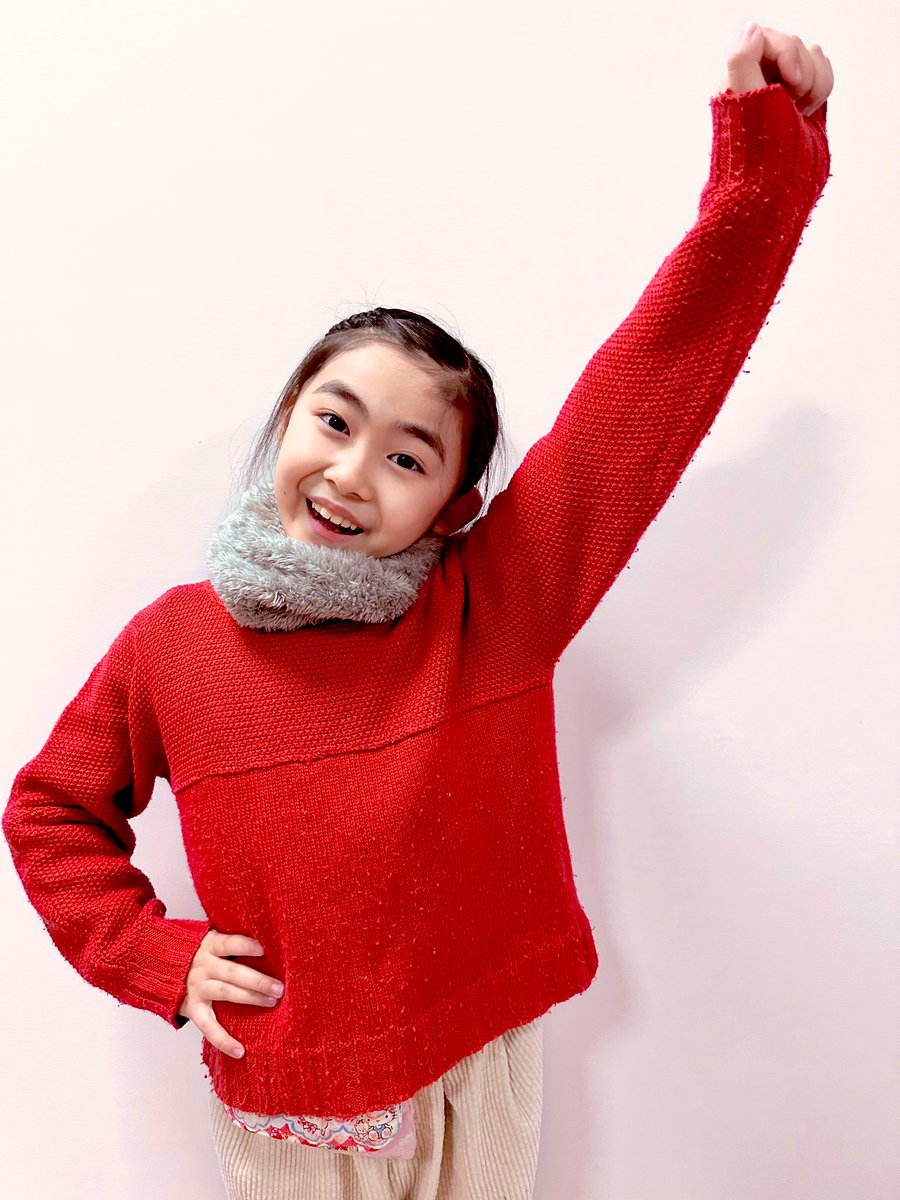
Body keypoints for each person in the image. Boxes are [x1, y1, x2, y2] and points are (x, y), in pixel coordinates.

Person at [3, 22, 833, 1200]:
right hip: (293, 1089)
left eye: (406, 458)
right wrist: (152, 954)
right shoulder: (172, 645)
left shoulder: (493, 604)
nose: (351, 475)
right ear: (289, 417)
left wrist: (760, 180)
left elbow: (646, 392)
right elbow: (50, 810)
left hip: (475, 1057)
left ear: (454, 506)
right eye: (334, 422)